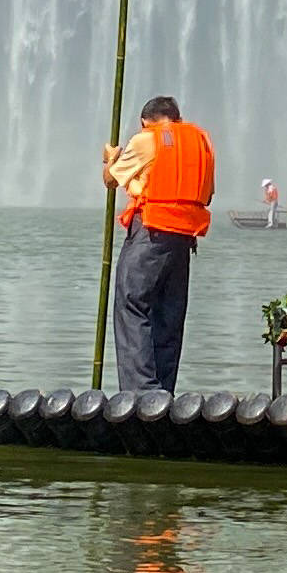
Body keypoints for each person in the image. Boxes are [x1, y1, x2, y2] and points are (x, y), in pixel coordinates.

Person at [100, 94, 215, 394]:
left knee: (132, 305)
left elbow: (110, 180)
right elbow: (208, 194)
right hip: (184, 239)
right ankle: (163, 389)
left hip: (151, 232)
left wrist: (112, 158)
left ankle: (141, 391)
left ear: (144, 121)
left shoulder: (146, 139)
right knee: (169, 314)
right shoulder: (201, 143)